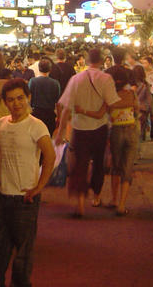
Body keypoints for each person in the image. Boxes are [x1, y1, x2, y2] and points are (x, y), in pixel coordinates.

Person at [0, 79, 55, 287]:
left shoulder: (36, 126)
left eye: (20, 98)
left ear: (28, 98)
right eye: (11, 100)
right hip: (2, 197)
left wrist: (39, 187)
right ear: (5, 102)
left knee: (23, 257)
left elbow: (50, 156)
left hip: (25, 199)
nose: (16, 103)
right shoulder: (1, 125)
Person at [55, 48, 119, 216]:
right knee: (98, 164)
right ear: (101, 61)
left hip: (80, 129)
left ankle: (81, 203)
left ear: (87, 60)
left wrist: (61, 132)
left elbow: (66, 108)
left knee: (80, 165)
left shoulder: (76, 79)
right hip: (100, 128)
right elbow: (112, 104)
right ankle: (96, 197)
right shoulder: (106, 79)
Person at [106, 64, 139, 216]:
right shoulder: (131, 94)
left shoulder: (111, 95)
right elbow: (137, 110)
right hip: (131, 130)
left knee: (116, 166)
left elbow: (107, 112)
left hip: (116, 131)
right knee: (127, 168)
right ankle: (122, 204)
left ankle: (114, 199)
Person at [28, 58, 61, 136]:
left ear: (39, 68)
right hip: (50, 115)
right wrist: (59, 117)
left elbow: (28, 98)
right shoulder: (55, 83)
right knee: (48, 136)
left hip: (36, 114)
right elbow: (58, 103)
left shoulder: (33, 81)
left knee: (35, 137)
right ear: (50, 69)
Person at [133, 64, 152, 141]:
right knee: (142, 127)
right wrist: (152, 111)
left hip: (133, 108)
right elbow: (149, 99)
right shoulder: (145, 84)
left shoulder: (130, 84)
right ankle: (141, 138)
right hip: (143, 109)